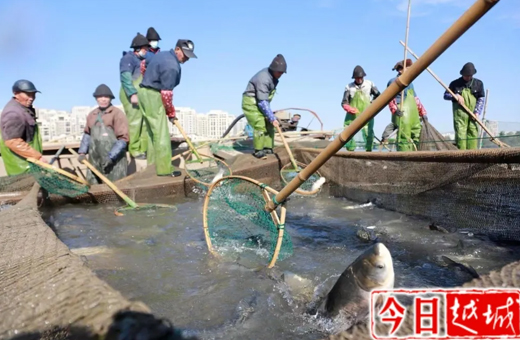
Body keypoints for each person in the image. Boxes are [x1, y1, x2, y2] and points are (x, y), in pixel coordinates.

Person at [137, 39, 197, 176]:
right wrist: (171, 113)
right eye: (184, 54)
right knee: (161, 134)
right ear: (177, 49)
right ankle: (164, 169)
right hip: (153, 95)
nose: (187, 58)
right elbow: (166, 94)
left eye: (189, 55)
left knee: (152, 133)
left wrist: (148, 78)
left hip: (143, 93)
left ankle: (153, 165)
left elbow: (143, 65)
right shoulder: (172, 66)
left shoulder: (161, 54)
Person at [78, 84, 129, 185]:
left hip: (115, 162)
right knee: (93, 187)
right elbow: (87, 134)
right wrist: (82, 152)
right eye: (100, 97)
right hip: (95, 160)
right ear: (96, 98)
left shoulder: (117, 113)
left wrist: (111, 156)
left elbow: (123, 140)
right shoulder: (92, 115)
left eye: (106, 97)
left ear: (110, 99)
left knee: (116, 186)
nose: (103, 99)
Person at [242, 54, 286, 159]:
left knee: (270, 125)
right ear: (273, 69)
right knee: (260, 125)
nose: (280, 74)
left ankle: (268, 147)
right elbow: (262, 101)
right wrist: (272, 117)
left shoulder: (273, 78)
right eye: (279, 72)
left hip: (263, 103)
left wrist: (271, 118)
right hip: (251, 103)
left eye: (282, 73)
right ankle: (259, 150)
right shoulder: (263, 78)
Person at [0, 80, 45, 176]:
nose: (31, 98)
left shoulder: (23, 108)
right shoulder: (13, 113)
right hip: (22, 165)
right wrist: (38, 157)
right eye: (28, 94)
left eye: (33, 94)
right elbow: (13, 141)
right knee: (29, 190)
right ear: (16, 94)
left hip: (29, 161)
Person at [386, 59, 428, 151]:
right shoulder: (393, 81)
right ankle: (405, 161)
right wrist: (394, 109)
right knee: (404, 138)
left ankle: (417, 159)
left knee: (417, 135)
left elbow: (416, 99)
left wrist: (423, 113)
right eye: (408, 69)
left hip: (414, 116)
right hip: (402, 114)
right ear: (401, 70)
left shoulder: (410, 83)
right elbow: (389, 98)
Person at [119, 33, 149, 160]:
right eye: (145, 48)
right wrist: (132, 94)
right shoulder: (127, 59)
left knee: (144, 123)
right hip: (130, 94)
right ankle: (134, 150)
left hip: (142, 94)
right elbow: (125, 78)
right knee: (135, 122)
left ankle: (144, 149)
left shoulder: (141, 60)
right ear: (137, 48)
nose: (146, 51)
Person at [443, 62, 485, 150]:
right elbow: (445, 95)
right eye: (466, 75)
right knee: (461, 134)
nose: (468, 77)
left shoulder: (478, 84)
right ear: (462, 74)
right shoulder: (455, 84)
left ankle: (473, 157)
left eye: (470, 75)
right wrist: (456, 96)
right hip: (460, 115)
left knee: (473, 133)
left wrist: (477, 112)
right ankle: (462, 157)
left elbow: (481, 99)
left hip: (473, 115)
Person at [341, 65, 380, 152]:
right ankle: (350, 152)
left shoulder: (370, 84)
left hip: (366, 114)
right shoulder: (349, 87)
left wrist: (372, 103)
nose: (359, 79)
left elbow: (378, 95)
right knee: (348, 132)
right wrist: (350, 109)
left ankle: (368, 151)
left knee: (368, 133)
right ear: (354, 78)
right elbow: (344, 103)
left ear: (363, 77)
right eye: (357, 78)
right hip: (352, 116)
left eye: (360, 77)